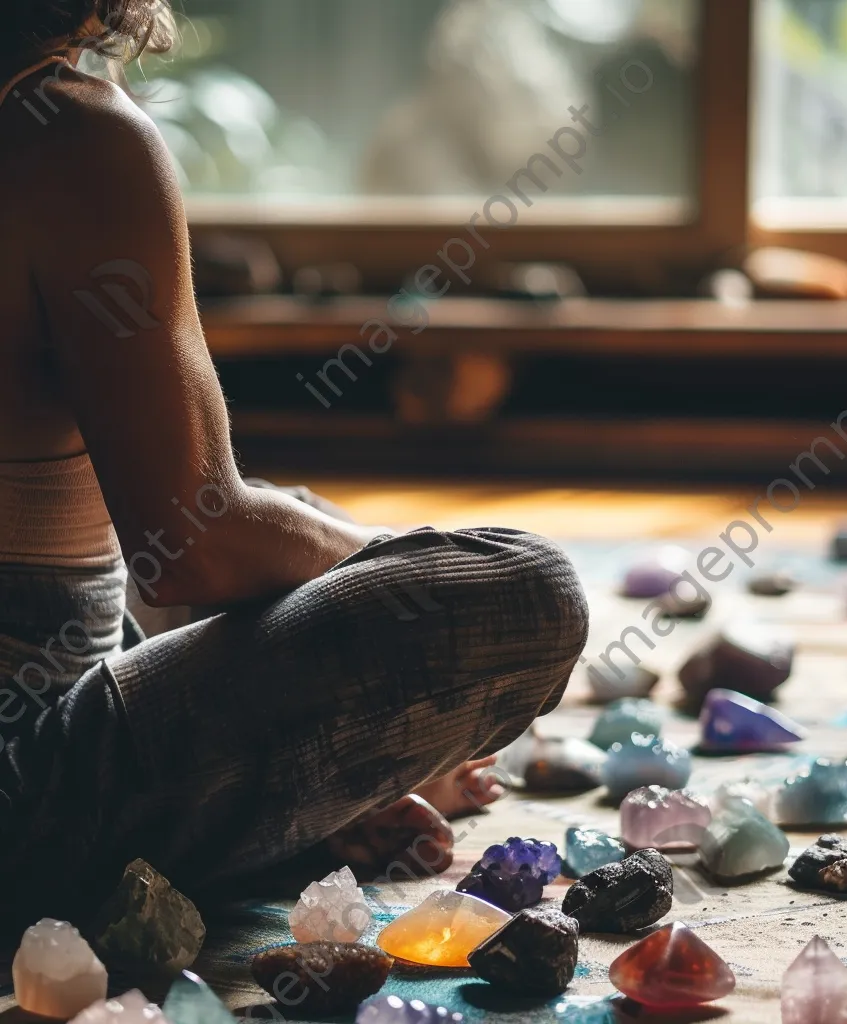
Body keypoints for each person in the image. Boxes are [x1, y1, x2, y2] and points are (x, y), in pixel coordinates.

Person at [0, 0, 587, 927]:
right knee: (524, 591)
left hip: (49, 635)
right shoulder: (67, 132)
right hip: (21, 789)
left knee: (294, 525)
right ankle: (284, 816)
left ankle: (281, 801)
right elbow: (195, 543)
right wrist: (405, 564)